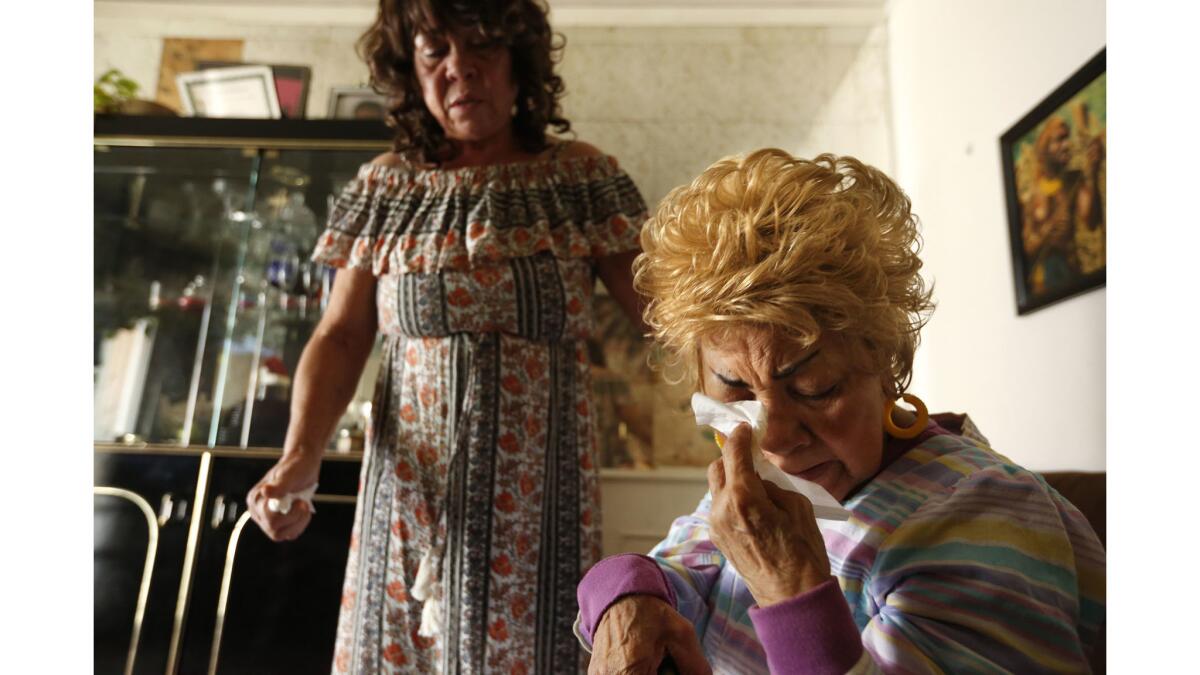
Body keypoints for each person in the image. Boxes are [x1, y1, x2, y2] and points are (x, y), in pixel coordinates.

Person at [575, 149, 1105, 674]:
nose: (775, 439)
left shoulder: (983, 519)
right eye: (736, 391)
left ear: (888, 366)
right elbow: (680, 559)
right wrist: (626, 598)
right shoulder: (769, 487)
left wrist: (790, 590)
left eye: (814, 386)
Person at [245, 1, 648, 673]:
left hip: (539, 516)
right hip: (406, 509)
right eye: (436, 52)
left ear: (521, 64)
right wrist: (299, 458)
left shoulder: (580, 178)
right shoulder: (387, 184)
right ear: (412, 72)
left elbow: (667, 312)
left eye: (482, 48)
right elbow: (341, 336)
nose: (459, 69)